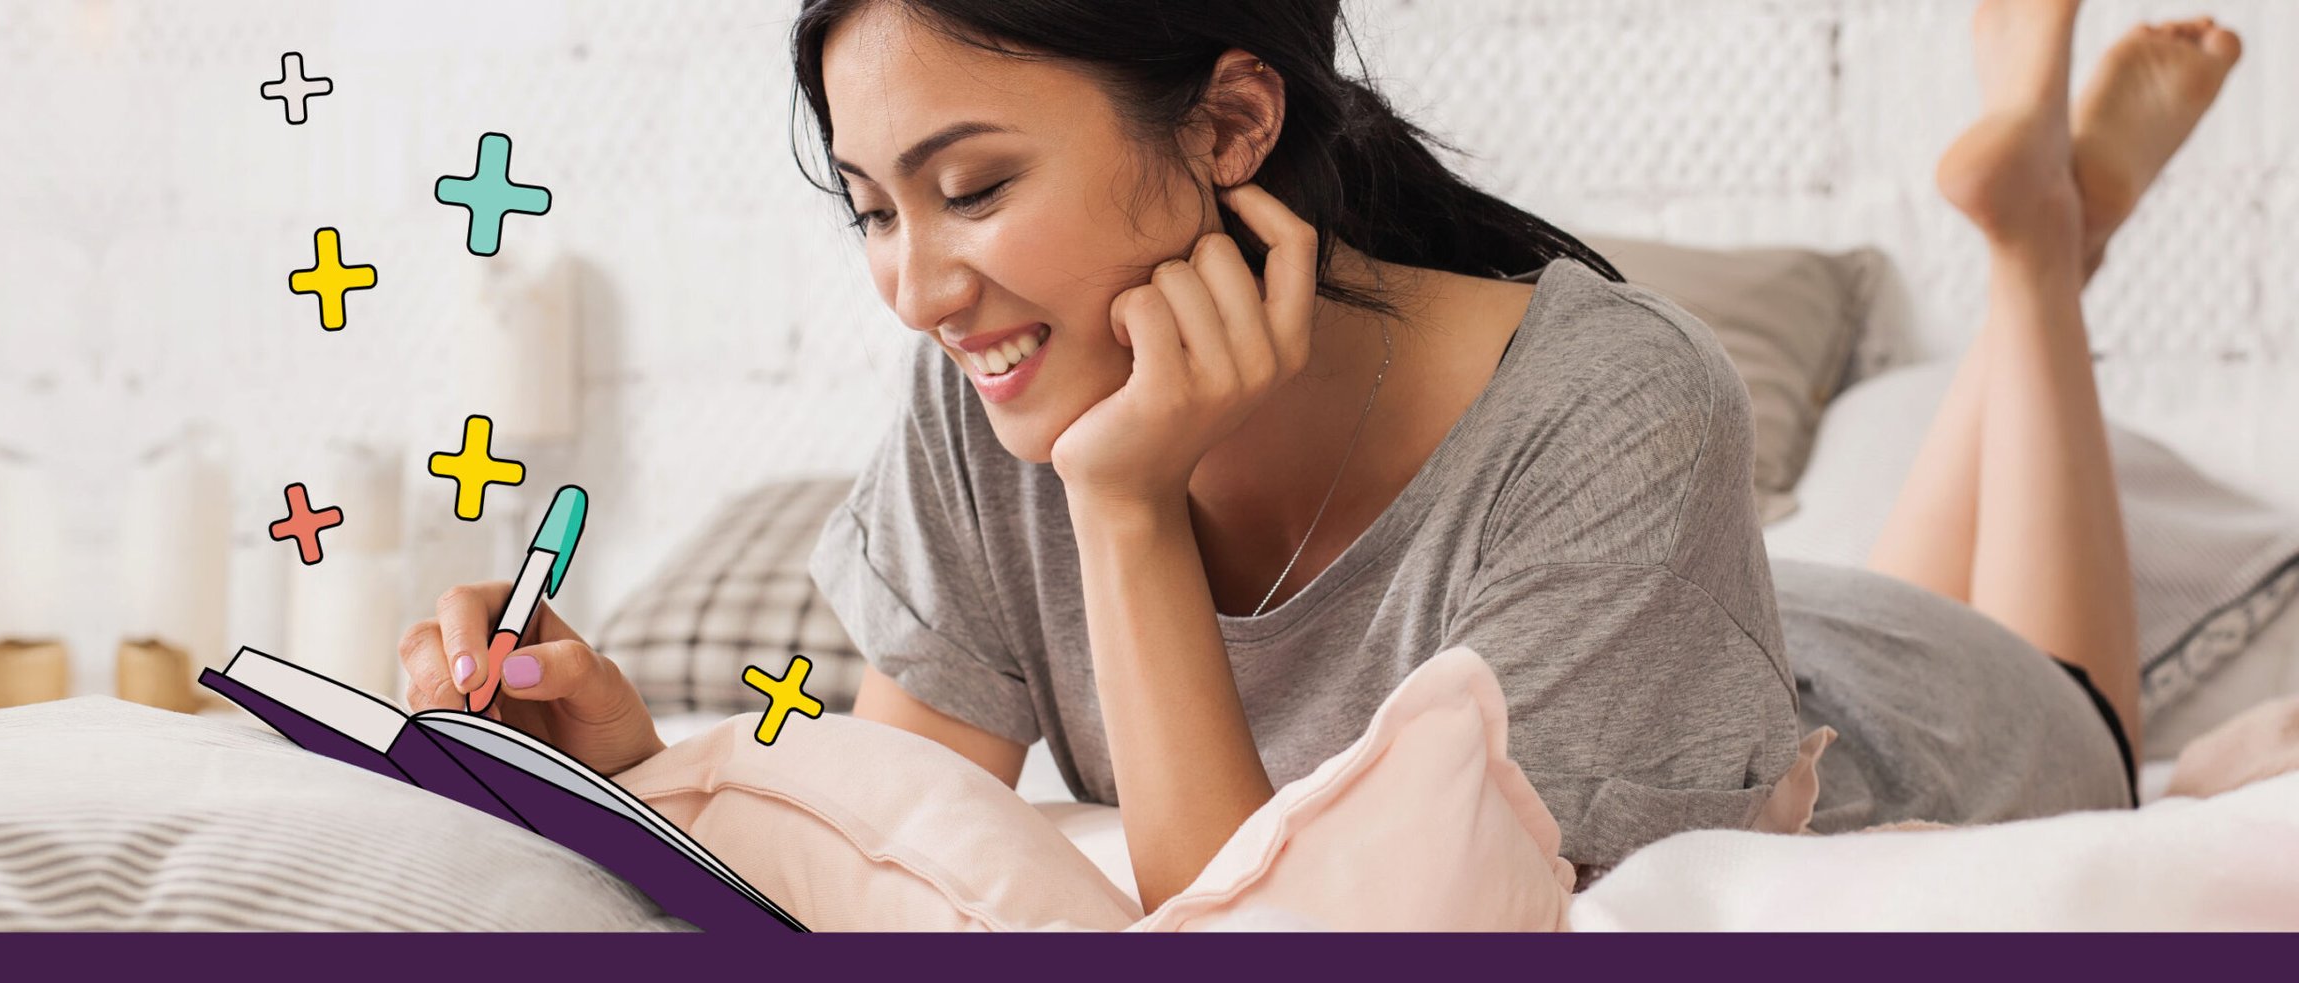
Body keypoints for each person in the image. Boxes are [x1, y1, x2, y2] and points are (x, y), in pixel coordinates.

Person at [398, 0, 2243, 907]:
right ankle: (2045, 230)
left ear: (1226, 124)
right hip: (1741, 640)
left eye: (974, 188)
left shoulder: (1624, 408)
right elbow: (910, 825)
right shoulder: (988, 390)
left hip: (1916, 727)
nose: (914, 286)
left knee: (2074, 684)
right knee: (1871, 571)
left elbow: (1273, 933)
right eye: (873, 208)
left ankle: (2033, 261)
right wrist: (647, 768)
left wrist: (1123, 512)